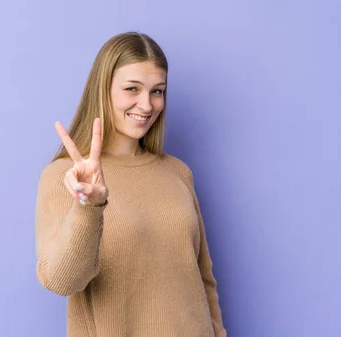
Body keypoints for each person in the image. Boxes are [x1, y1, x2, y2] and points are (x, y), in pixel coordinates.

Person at [34, 32, 226, 336]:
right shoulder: (65, 177)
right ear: (103, 90)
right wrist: (90, 206)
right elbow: (62, 281)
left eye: (157, 91)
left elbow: (204, 281)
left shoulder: (177, 173)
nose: (147, 105)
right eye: (131, 89)